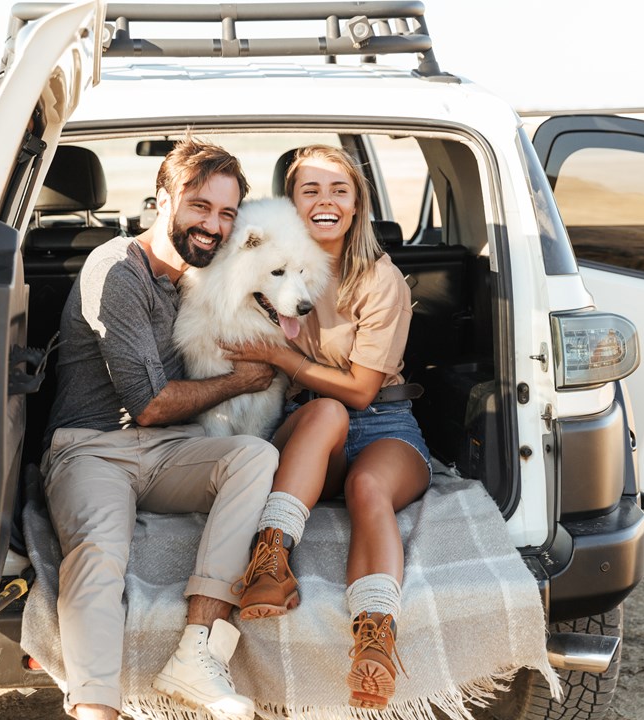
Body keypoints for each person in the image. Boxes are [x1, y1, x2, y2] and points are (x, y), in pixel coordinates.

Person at [42, 138, 278, 720]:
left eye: (226, 214)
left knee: (252, 457)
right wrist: (243, 380)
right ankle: (96, 706)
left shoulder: (201, 276)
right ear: (161, 200)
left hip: (174, 448)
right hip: (92, 449)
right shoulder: (116, 268)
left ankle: (197, 652)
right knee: (98, 553)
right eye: (199, 206)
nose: (213, 226)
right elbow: (147, 404)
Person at [225, 144, 432, 710]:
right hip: (310, 422)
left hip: (386, 420)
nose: (325, 201)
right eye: (309, 190)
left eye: (339, 190)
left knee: (370, 488)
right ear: (290, 203)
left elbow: (365, 390)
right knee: (325, 410)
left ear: (356, 203)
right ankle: (271, 561)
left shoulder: (379, 279)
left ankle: (375, 638)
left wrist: (288, 362)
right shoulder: (265, 262)